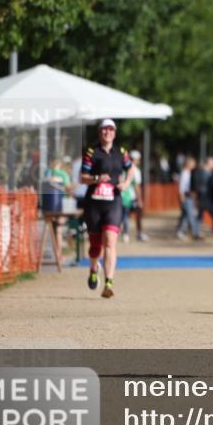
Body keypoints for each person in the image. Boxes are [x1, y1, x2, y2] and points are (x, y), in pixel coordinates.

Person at [80, 119, 135, 299]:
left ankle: (109, 283)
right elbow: (83, 177)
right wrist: (96, 178)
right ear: (99, 132)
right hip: (94, 203)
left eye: (111, 129)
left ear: (115, 133)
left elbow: (131, 168)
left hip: (114, 202)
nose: (107, 132)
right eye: (104, 129)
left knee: (110, 242)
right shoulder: (91, 152)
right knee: (96, 245)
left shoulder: (121, 152)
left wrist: (127, 182)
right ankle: (93, 267)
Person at [176, 157, 201, 241]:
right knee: (190, 215)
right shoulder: (185, 173)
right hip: (186, 196)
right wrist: (182, 196)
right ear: (188, 164)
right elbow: (182, 186)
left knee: (185, 215)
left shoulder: (189, 173)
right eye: (192, 164)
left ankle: (181, 231)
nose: (194, 165)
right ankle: (195, 233)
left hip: (189, 196)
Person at [126, 149, 148, 242]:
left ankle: (125, 234)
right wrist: (140, 199)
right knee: (138, 215)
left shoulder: (123, 168)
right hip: (132, 196)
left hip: (123, 196)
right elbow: (137, 186)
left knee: (123, 216)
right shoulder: (136, 170)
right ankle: (140, 233)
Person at [195, 157, 213, 233]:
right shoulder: (201, 172)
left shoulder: (212, 173)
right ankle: (197, 232)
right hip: (203, 197)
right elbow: (197, 184)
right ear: (209, 163)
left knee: (204, 215)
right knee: (201, 215)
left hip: (209, 197)